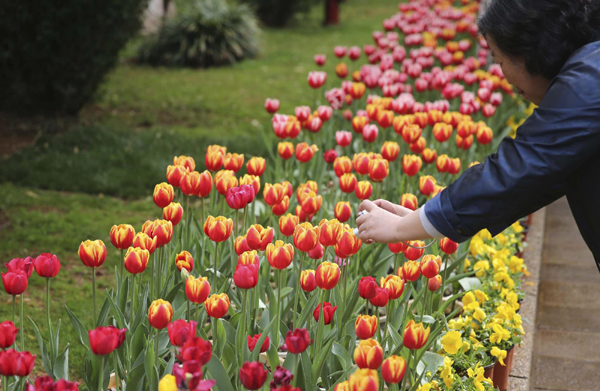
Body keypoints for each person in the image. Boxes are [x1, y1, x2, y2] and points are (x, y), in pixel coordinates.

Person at [355, 0, 600, 266]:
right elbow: (533, 182)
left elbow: (516, 170)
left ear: (531, 47)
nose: (502, 74)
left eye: (499, 59)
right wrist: (414, 221)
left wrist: (398, 230)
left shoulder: (589, 81)